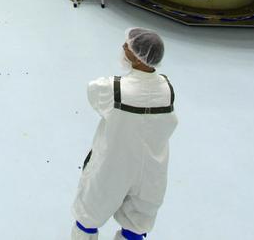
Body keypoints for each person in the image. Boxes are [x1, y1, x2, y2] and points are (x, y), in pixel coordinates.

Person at [71, 28, 178, 240]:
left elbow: (93, 93)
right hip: (151, 172)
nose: (123, 47)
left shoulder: (114, 89)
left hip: (113, 167)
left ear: (138, 58)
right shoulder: (167, 89)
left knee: (88, 217)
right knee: (136, 226)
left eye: (128, 46)